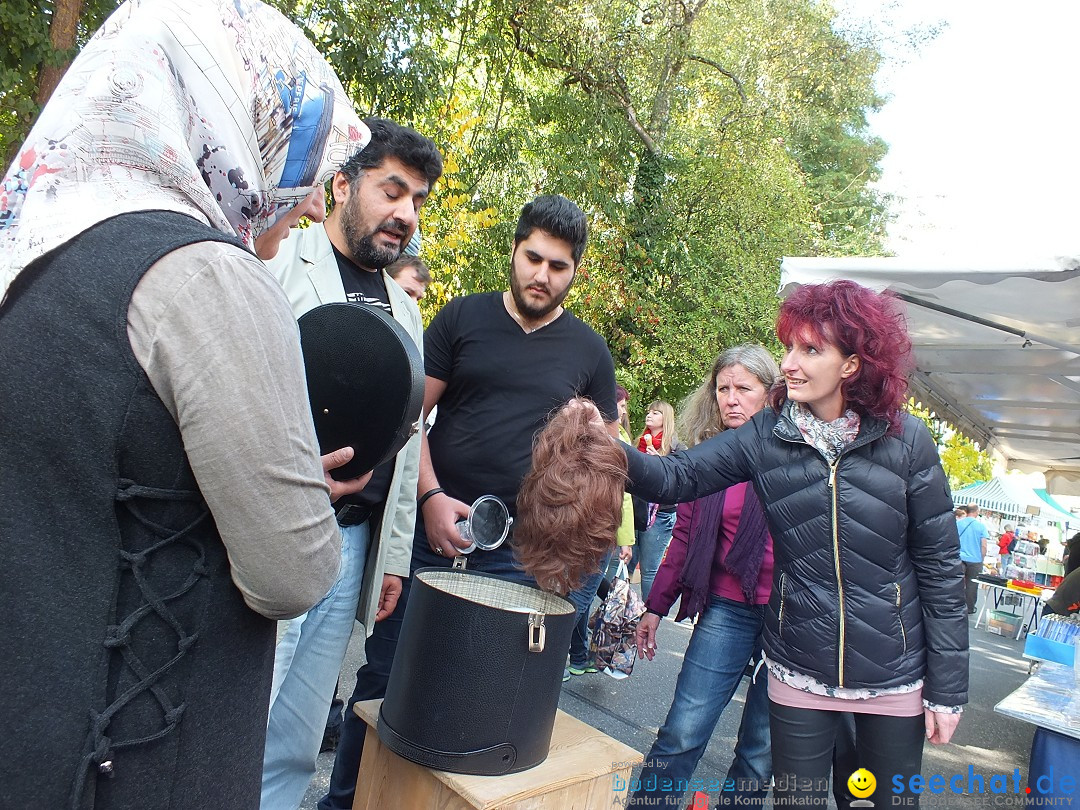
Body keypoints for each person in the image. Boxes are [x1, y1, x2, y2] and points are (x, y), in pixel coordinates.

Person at [0, 0, 373, 806]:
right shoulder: (211, 278)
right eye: (299, 154)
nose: (312, 202)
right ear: (232, 117)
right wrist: (296, 482)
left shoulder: (29, 260)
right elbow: (293, 573)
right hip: (139, 760)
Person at [616, 280, 968, 808]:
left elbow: (941, 569)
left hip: (892, 676)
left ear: (851, 364)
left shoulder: (908, 441)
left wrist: (948, 689)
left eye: (810, 350)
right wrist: (605, 450)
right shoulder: (768, 435)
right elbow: (678, 477)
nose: (789, 364)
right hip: (798, 667)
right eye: (789, 348)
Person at [317, 194, 618, 810]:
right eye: (533, 257)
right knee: (384, 685)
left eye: (558, 266)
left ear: (575, 273)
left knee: (488, 707)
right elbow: (408, 417)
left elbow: (602, 456)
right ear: (514, 249)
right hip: (433, 540)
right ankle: (343, 802)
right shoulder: (461, 320)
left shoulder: (590, 353)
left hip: (522, 561)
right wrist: (429, 497)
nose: (541, 274)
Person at [260, 118, 443, 809]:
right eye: (392, 191)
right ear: (342, 184)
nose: (405, 214)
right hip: (278, 530)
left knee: (297, 737)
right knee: (243, 715)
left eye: (418, 200)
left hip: (352, 550)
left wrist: (393, 556)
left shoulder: (406, 304)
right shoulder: (278, 260)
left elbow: (408, 434)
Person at [630, 344, 779, 809]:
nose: (731, 398)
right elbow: (684, 539)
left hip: (790, 622)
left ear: (772, 394)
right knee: (681, 732)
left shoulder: (798, 454)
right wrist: (654, 606)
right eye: (723, 388)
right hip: (728, 612)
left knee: (760, 754)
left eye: (744, 388)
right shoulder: (707, 459)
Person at [564, 385, 636, 680]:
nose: (623, 410)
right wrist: (625, 539)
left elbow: (624, 495)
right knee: (580, 598)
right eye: (619, 403)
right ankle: (566, 657)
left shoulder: (578, 434)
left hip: (588, 528)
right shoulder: (612, 439)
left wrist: (625, 539)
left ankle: (570, 658)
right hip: (597, 529)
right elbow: (624, 496)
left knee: (579, 596)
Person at [635, 400, 685, 599]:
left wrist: (661, 463)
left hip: (660, 515)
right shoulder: (639, 442)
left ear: (666, 418)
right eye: (649, 412)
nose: (649, 415)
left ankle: (647, 617)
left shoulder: (677, 447)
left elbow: (680, 481)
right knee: (621, 564)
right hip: (636, 511)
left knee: (648, 570)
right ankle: (618, 614)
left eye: (656, 413)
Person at [957, 503, 989, 614]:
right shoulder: (981, 527)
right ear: (977, 512)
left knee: (956, 582)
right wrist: (982, 558)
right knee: (972, 584)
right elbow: (983, 545)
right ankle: (969, 608)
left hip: (959, 557)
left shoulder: (958, 523)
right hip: (975, 560)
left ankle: (953, 605)